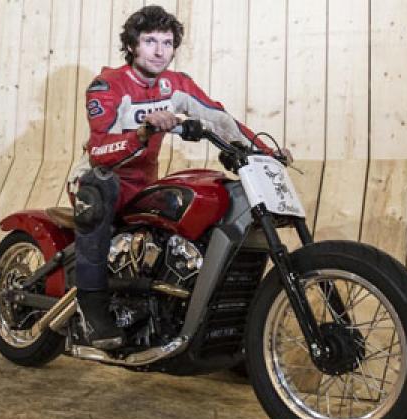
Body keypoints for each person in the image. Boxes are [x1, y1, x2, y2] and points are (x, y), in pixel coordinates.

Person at [70, 5, 288, 349]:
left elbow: (221, 119)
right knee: (100, 191)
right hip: (98, 178)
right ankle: (91, 306)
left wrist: (264, 152)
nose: (160, 51)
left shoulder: (177, 85)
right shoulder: (106, 85)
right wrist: (142, 132)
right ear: (132, 46)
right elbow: (99, 150)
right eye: (150, 41)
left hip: (143, 184)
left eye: (168, 43)